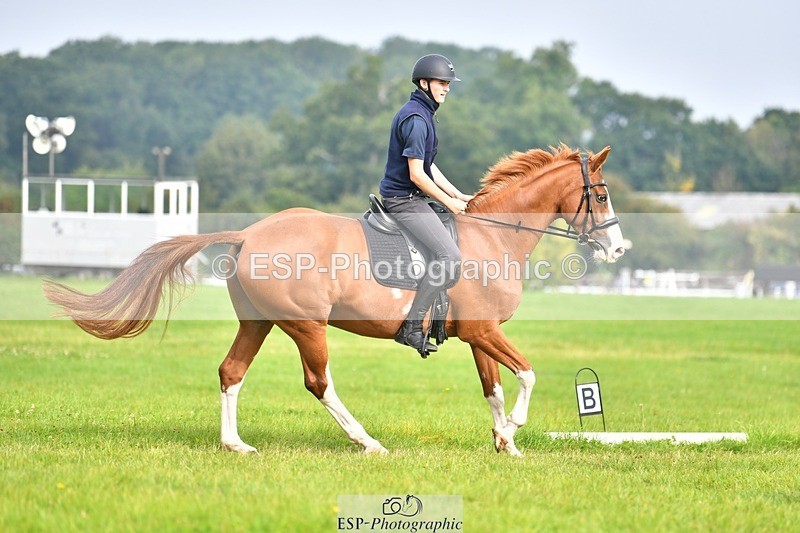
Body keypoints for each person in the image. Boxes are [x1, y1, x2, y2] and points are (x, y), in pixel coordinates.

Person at [379, 54, 474, 355]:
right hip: (404, 201)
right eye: (442, 83)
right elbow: (417, 174)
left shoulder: (422, 114)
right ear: (424, 83)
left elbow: (430, 166)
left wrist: (459, 196)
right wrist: (447, 201)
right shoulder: (417, 120)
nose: (447, 89)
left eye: (449, 84)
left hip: (414, 198)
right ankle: (411, 326)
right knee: (450, 257)